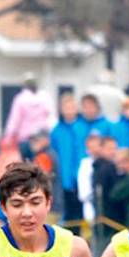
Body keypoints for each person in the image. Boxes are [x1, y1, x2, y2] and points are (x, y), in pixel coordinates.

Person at [50, 93, 86, 229]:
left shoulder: (83, 127)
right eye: (66, 107)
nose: (69, 110)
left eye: (72, 107)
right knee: (68, 213)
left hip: (81, 176)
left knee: (82, 212)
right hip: (64, 178)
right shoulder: (56, 131)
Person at [3, 75, 53, 157]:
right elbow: (50, 116)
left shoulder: (20, 99)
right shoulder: (45, 98)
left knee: (26, 164)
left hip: (25, 139)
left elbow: (14, 119)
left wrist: (8, 137)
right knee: (41, 163)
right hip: (42, 139)